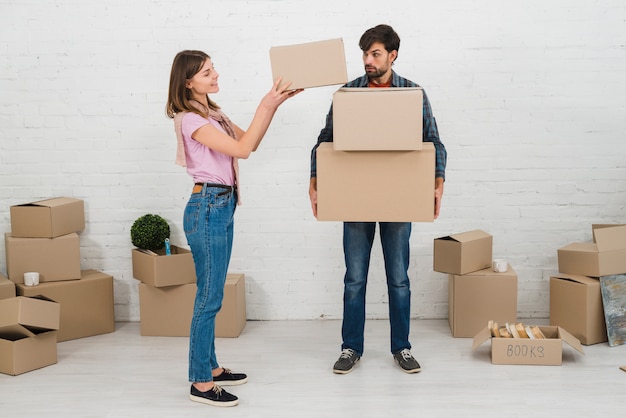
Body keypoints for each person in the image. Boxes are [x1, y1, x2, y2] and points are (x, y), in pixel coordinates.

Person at [308, 25, 447, 375]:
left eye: (375, 54)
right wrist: (315, 179)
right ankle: (351, 347)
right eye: (365, 54)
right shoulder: (348, 93)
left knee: (398, 277)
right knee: (355, 277)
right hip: (356, 197)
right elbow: (325, 139)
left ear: (393, 55)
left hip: (399, 196)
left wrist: (437, 181)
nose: (368, 61)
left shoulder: (413, 93)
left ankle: (401, 347)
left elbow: (434, 142)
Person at [166, 50, 302, 407]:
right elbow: (241, 150)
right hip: (207, 206)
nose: (215, 75)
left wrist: (275, 105)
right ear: (188, 82)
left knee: (213, 295)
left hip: (220, 205)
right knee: (208, 298)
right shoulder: (190, 120)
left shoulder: (213, 115)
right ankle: (200, 382)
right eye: (207, 72)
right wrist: (264, 103)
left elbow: (250, 144)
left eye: (213, 69)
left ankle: (209, 368)